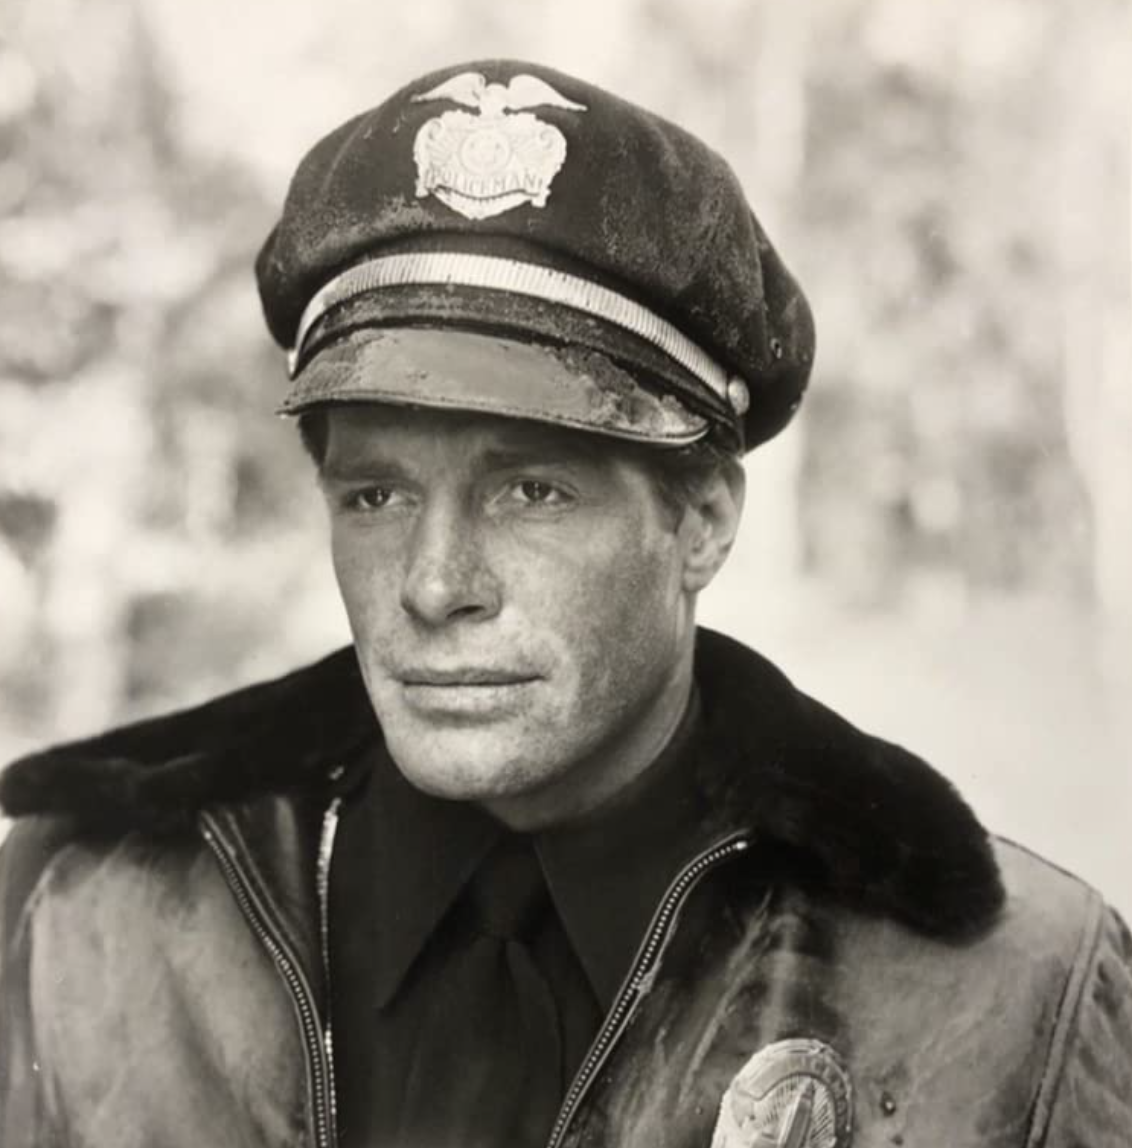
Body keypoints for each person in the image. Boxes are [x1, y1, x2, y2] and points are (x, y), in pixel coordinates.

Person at [0, 58, 1129, 1148]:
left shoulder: (1008, 997)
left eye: (530, 491)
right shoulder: (91, 916)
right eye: (376, 494)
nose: (434, 584)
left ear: (702, 521)